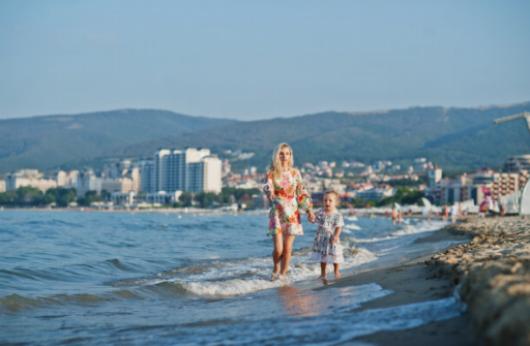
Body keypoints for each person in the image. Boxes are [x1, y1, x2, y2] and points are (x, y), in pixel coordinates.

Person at [263, 143, 315, 281]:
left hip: (292, 213)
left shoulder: (295, 173)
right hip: (277, 214)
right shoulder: (271, 172)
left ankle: (282, 275)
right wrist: (269, 192)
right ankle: (276, 267)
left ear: (290, 156)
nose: (284, 156)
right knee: (278, 249)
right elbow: (267, 187)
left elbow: (301, 192)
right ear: (276, 155)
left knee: (287, 249)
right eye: (281, 153)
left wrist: (309, 210)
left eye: (287, 153)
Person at [311, 190, 345, 282]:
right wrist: (310, 215)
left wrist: (336, 236)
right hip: (321, 238)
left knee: (335, 256)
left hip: (332, 238)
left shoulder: (337, 214)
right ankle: (323, 274)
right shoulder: (320, 212)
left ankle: (336, 271)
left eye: (330, 200)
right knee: (323, 257)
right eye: (325, 200)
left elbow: (339, 226)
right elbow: (313, 220)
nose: (327, 202)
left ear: (336, 203)